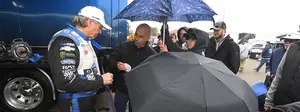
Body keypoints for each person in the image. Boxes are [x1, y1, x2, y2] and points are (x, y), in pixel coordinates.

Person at [48, 6, 114, 112]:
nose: (100, 31)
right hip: (75, 102)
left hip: (85, 100)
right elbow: (66, 81)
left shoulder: (83, 39)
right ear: (89, 22)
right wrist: (101, 80)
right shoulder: (66, 40)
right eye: (100, 27)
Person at [108, 23, 156, 112]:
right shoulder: (123, 46)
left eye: (141, 37)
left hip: (138, 91)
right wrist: (117, 65)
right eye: (136, 35)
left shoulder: (152, 55)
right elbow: (111, 62)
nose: (136, 38)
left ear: (148, 38)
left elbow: (152, 77)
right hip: (122, 88)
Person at [264, 32, 300, 111]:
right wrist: (268, 101)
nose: (287, 43)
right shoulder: (291, 49)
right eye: (286, 40)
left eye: (290, 41)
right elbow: (278, 76)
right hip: (279, 103)